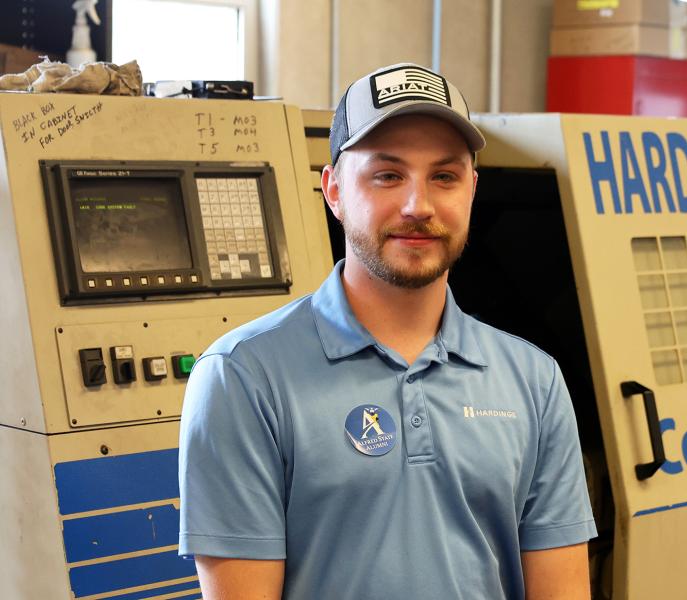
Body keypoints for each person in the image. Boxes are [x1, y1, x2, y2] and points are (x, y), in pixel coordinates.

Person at [179, 62, 597, 599]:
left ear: (471, 190)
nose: (416, 206)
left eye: (443, 176)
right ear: (332, 191)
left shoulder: (533, 380)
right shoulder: (243, 378)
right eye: (387, 175)